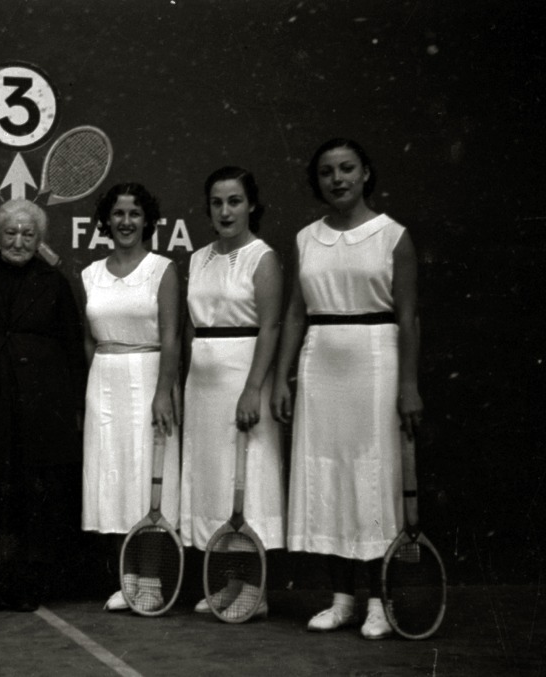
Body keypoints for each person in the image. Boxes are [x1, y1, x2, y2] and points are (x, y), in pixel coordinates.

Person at [272, 138, 423, 640]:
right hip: (320, 365)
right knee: (328, 479)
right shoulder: (305, 239)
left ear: (365, 174)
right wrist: (282, 377)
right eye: (327, 172)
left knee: (372, 480)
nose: (337, 179)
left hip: (376, 363)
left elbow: (408, 318)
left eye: (347, 168)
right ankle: (342, 600)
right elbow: (295, 314)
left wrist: (409, 385)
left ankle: (379, 603)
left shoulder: (393, 237)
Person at [0, 199, 86, 613]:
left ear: (39, 239)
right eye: (10, 232)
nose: (18, 241)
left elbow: (72, 346)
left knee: (35, 496)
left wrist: (73, 406)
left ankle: (28, 583)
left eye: (28, 234)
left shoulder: (54, 282)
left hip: (41, 408)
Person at [179, 167, 285, 618]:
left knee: (249, 485)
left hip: (244, 379)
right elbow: (191, 327)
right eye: (217, 203)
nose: (225, 211)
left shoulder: (263, 258)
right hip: (202, 387)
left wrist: (253, 389)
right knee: (216, 486)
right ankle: (232, 584)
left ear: (251, 205)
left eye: (235, 201)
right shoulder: (198, 259)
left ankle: (256, 592)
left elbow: (271, 326)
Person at [80, 183, 181, 613]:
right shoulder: (89, 274)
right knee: (116, 482)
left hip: (149, 378)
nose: (125, 222)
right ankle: (129, 580)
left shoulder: (163, 270)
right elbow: (89, 340)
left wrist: (163, 392)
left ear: (147, 221)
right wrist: (96, 385)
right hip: (104, 382)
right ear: (107, 221)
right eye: (118, 214)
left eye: (134, 214)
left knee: (149, 481)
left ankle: (152, 580)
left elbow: (172, 337)